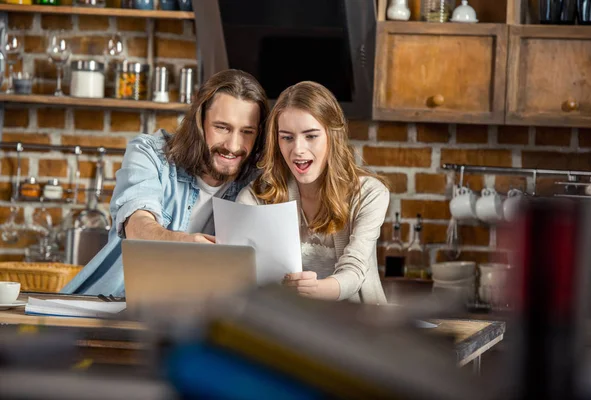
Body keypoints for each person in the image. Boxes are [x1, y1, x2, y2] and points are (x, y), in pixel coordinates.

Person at [61, 69, 269, 296]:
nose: (233, 145)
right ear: (199, 122)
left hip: (194, 319)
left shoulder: (258, 179)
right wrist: (183, 244)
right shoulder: (150, 153)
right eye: (222, 128)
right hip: (112, 304)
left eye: (247, 132)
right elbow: (138, 225)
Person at [237, 81, 389, 305]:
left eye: (311, 136)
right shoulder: (257, 196)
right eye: (287, 137)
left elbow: (354, 272)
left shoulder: (369, 193)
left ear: (332, 136)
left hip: (360, 328)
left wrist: (312, 290)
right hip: (288, 330)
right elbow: (240, 272)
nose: (297, 149)